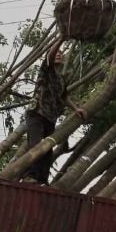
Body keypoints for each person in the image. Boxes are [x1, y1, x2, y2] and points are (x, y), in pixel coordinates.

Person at [23, 44, 85, 183]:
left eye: (61, 53)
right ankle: (30, 176)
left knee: (47, 150)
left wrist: (76, 109)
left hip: (50, 118)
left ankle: (42, 180)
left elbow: (64, 96)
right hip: (37, 113)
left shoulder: (61, 79)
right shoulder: (46, 69)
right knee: (36, 145)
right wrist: (61, 39)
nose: (59, 54)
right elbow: (50, 58)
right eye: (56, 53)